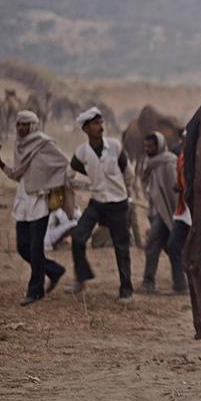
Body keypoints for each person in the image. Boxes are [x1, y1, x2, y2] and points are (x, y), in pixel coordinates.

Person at [0, 110, 69, 305]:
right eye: (19, 124)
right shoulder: (19, 145)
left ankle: (35, 291)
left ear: (33, 125)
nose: (22, 128)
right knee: (23, 248)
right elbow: (17, 175)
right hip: (23, 202)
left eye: (26, 124)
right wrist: (1, 165)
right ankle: (54, 270)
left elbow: (62, 163)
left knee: (35, 248)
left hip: (40, 202)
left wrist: (49, 182)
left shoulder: (44, 143)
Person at [66, 107, 134, 302]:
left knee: (121, 247)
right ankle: (81, 278)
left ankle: (126, 290)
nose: (100, 127)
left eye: (101, 123)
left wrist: (126, 192)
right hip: (97, 203)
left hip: (118, 204)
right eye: (96, 124)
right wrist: (87, 186)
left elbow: (128, 173)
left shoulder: (114, 146)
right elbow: (69, 176)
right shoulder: (81, 152)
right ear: (86, 129)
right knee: (78, 237)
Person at [167, 132, 201, 295]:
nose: (184, 143)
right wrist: (180, 187)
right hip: (184, 209)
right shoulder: (181, 157)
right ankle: (180, 284)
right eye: (183, 140)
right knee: (173, 245)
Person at [139, 131, 183, 294]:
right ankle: (180, 283)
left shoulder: (168, 163)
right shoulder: (151, 164)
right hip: (158, 211)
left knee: (154, 245)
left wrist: (174, 213)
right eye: (146, 146)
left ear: (159, 145)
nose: (148, 149)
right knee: (169, 248)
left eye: (151, 146)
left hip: (169, 212)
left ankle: (148, 281)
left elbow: (173, 193)